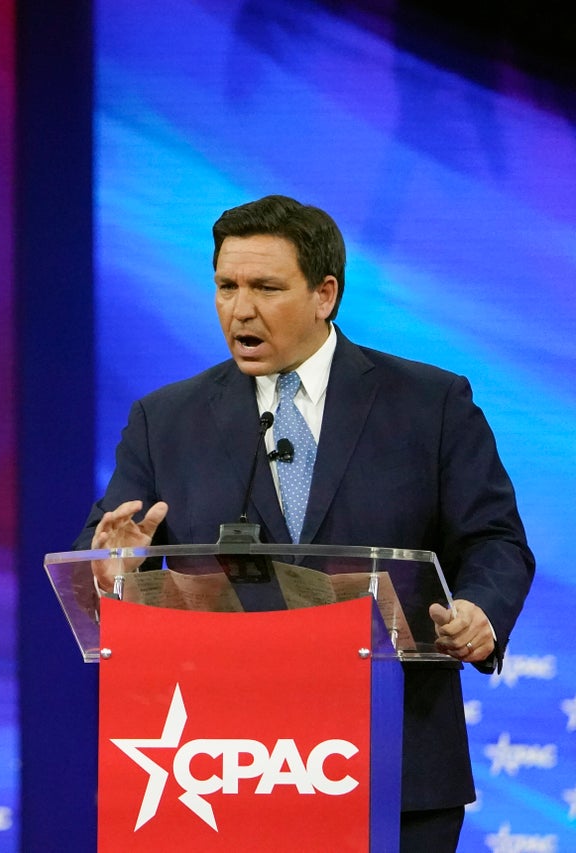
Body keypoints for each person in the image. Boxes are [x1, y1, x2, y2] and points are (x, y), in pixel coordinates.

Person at [75, 195, 534, 851]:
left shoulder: (430, 403)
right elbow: (109, 556)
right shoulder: (164, 420)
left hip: (394, 765)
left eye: (265, 287)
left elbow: (494, 539)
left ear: (325, 294)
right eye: (226, 286)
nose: (240, 309)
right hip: (219, 767)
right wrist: (112, 570)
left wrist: (479, 613)